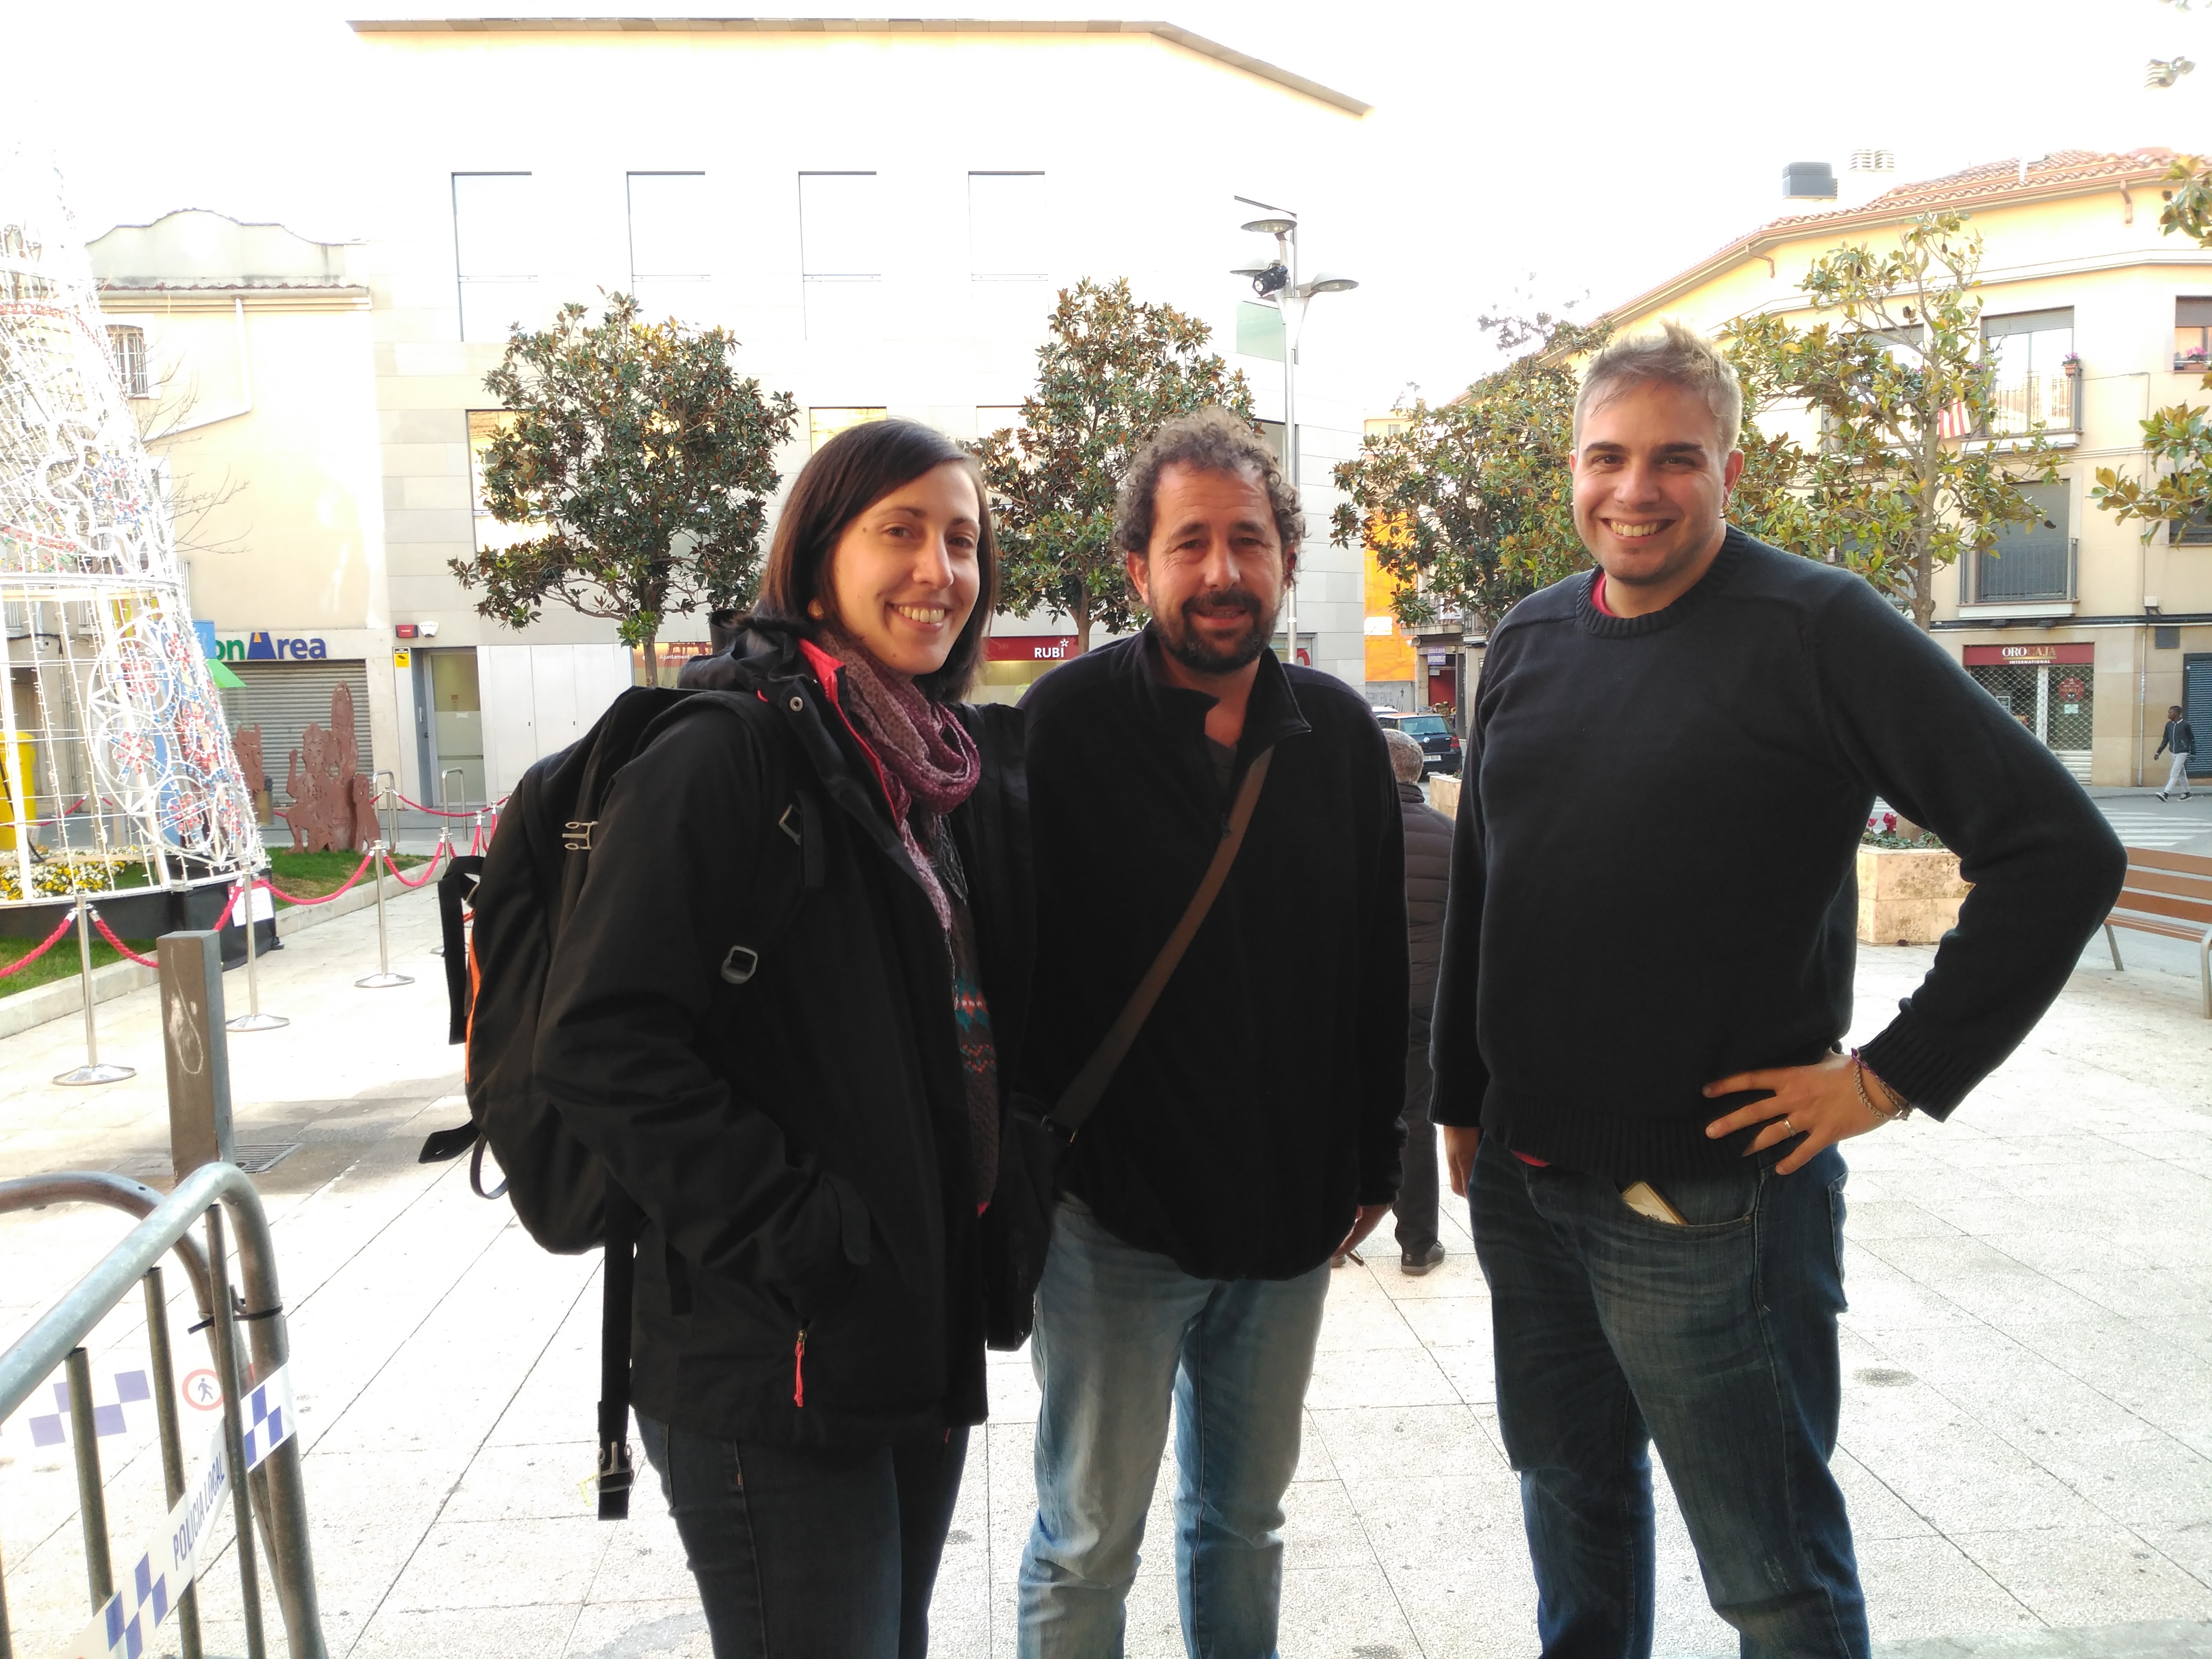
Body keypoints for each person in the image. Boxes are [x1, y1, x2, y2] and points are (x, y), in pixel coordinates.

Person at [1430, 321, 2126, 1659]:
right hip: (1525, 1184)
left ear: (1729, 471)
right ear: (1571, 468)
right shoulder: (1527, 636)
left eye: (1674, 458)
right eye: (1607, 457)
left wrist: (1887, 1077)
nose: (1635, 489)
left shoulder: (1815, 626)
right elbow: (1486, 874)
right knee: (1572, 1517)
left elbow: (2059, 852)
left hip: (1713, 1204)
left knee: (1772, 1579)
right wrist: (1461, 1092)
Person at [534, 418, 1030, 1659]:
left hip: (902, 1316)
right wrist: (806, 1235)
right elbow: (599, 1041)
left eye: (962, 540)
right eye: (900, 531)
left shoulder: (919, 770)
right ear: (814, 565)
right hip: (774, 1348)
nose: (939, 570)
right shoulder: (726, 754)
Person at [1016, 407, 1407, 1658]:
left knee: (1243, 1521)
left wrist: (1377, 1160)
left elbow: (1374, 970)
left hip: (1287, 1222)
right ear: (1138, 567)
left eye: (1249, 541)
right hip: (1111, 1222)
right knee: (1087, 1539)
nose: (1223, 571)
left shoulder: (1338, 738)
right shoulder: (1065, 725)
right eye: (1190, 544)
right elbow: (1012, 965)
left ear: (1285, 559)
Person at [1382, 725, 1452, 1276]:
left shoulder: (1342, 831)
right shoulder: (1450, 837)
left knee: (1339, 1111)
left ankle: (1333, 1239)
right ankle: (1417, 1244)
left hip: (1354, 1002)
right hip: (1423, 1001)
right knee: (1414, 1118)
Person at [2156, 702, 2196, 800]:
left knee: (2174, 773)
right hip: (2173, 752)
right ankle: (2187, 793)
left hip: (2182, 752)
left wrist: (2193, 753)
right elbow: (2165, 740)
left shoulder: (2185, 725)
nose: (2168, 715)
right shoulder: (2169, 725)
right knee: (2181, 774)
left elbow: (2192, 739)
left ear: (2177, 714)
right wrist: (2158, 752)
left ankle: (2166, 793)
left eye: (2170, 713)